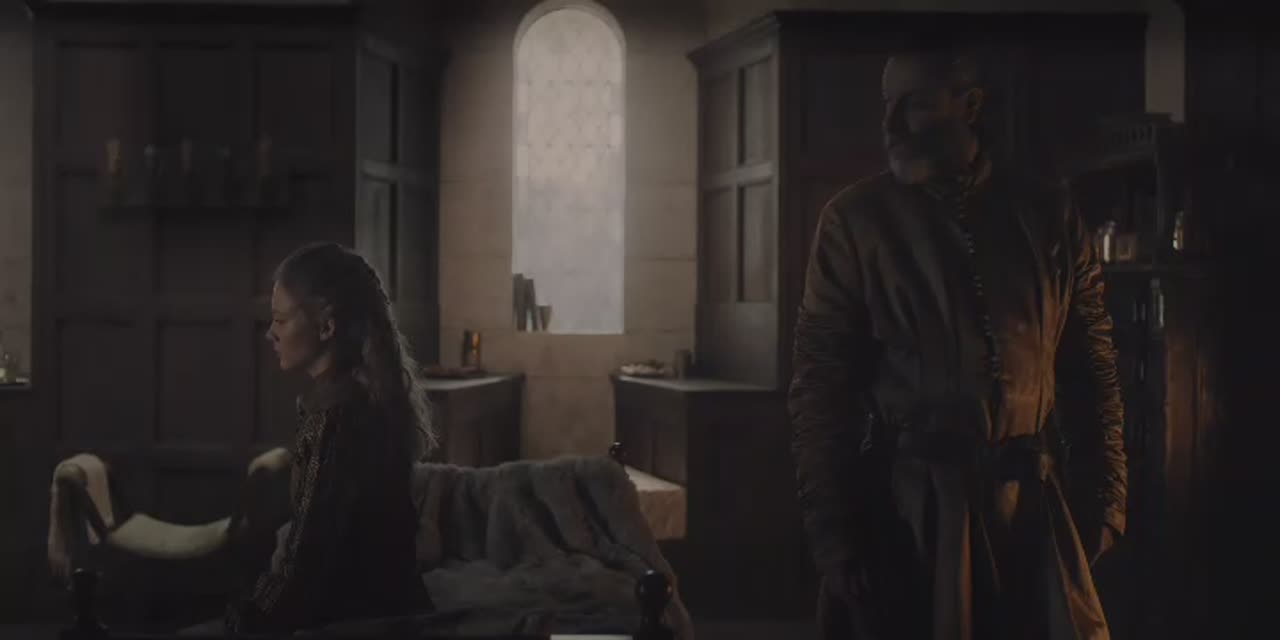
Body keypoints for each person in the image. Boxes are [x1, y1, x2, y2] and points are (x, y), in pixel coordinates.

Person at [788, 45, 1127, 640]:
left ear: (969, 106)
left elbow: (1090, 364)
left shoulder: (1046, 212)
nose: (891, 124)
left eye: (915, 104)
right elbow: (821, 387)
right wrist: (833, 533)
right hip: (909, 518)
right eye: (887, 104)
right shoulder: (856, 221)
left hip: (1030, 511)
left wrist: (1106, 497)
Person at [225, 242, 436, 634]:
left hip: (358, 620)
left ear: (326, 327)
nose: (270, 333)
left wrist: (246, 620)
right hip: (396, 605)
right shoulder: (363, 400)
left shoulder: (335, 418)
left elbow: (305, 561)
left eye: (281, 320)